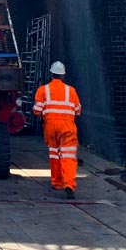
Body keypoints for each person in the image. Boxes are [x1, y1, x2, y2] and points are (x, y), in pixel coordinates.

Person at [33, 60, 81, 198]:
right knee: (68, 157)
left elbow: (37, 110)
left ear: (51, 74)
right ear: (63, 75)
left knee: (54, 155)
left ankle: (57, 182)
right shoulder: (71, 91)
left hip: (50, 127)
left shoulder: (43, 90)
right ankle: (69, 184)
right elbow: (77, 110)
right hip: (67, 126)